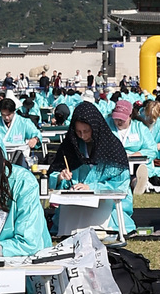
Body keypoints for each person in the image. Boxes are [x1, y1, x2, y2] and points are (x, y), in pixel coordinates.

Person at [47, 100, 134, 235]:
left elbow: (121, 183)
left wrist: (92, 187)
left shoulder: (112, 147)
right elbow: (52, 176)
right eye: (78, 131)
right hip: (74, 203)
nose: (82, 136)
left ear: (95, 127)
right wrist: (60, 177)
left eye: (86, 131)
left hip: (105, 203)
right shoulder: (70, 146)